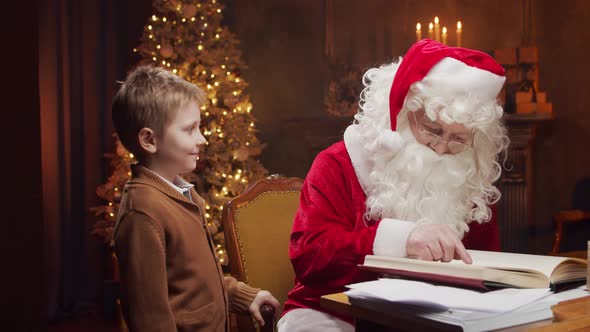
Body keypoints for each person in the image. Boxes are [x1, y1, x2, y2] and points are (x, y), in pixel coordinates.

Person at [277, 39, 509, 332]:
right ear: (401, 112)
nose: (441, 148)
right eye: (432, 130)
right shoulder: (338, 162)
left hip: (432, 319)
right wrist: (400, 240)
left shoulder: (469, 175)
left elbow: (481, 266)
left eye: (458, 139)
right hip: (331, 311)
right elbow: (310, 257)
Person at [112, 65, 280, 332]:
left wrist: (243, 296)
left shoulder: (182, 194)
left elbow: (195, 281)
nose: (202, 139)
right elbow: (150, 317)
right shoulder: (143, 212)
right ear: (149, 140)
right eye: (190, 130)